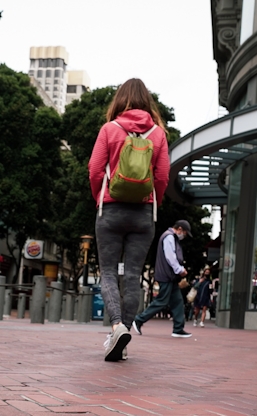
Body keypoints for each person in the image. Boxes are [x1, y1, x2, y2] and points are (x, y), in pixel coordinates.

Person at [88, 78, 170, 362]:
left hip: (111, 210)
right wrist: (152, 200)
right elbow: (162, 176)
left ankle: (117, 327)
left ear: (119, 100)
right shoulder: (158, 134)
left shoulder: (110, 129)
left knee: (109, 272)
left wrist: (101, 196)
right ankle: (122, 341)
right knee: (133, 275)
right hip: (143, 213)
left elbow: (95, 169)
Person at [133, 220, 192, 338]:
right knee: (162, 301)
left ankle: (178, 328)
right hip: (166, 275)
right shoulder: (169, 237)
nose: (184, 236)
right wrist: (180, 270)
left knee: (177, 301)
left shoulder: (170, 237)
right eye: (185, 233)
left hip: (170, 276)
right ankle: (139, 320)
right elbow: (170, 257)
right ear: (179, 229)